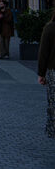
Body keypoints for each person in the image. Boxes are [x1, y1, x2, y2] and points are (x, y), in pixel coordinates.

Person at [38, 10, 55, 138]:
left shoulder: (49, 28)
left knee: (53, 103)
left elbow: (43, 53)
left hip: (53, 71)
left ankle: (52, 129)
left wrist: (41, 74)